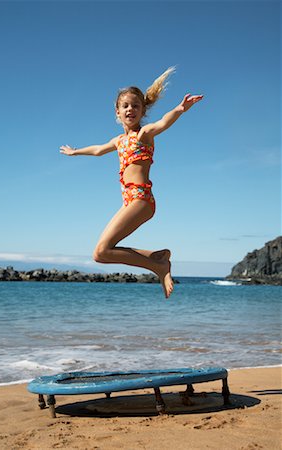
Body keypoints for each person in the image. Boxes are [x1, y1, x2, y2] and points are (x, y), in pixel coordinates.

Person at [60, 67, 203, 298]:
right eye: (125, 106)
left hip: (141, 199)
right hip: (129, 201)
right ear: (117, 112)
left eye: (135, 106)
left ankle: (159, 267)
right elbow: (98, 150)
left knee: (102, 250)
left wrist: (180, 109)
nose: (130, 109)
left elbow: (163, 123)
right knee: (101, 253)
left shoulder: (143, 134)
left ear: (142, 110)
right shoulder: (118, 141)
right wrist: (75, 152)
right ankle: (157, 258)